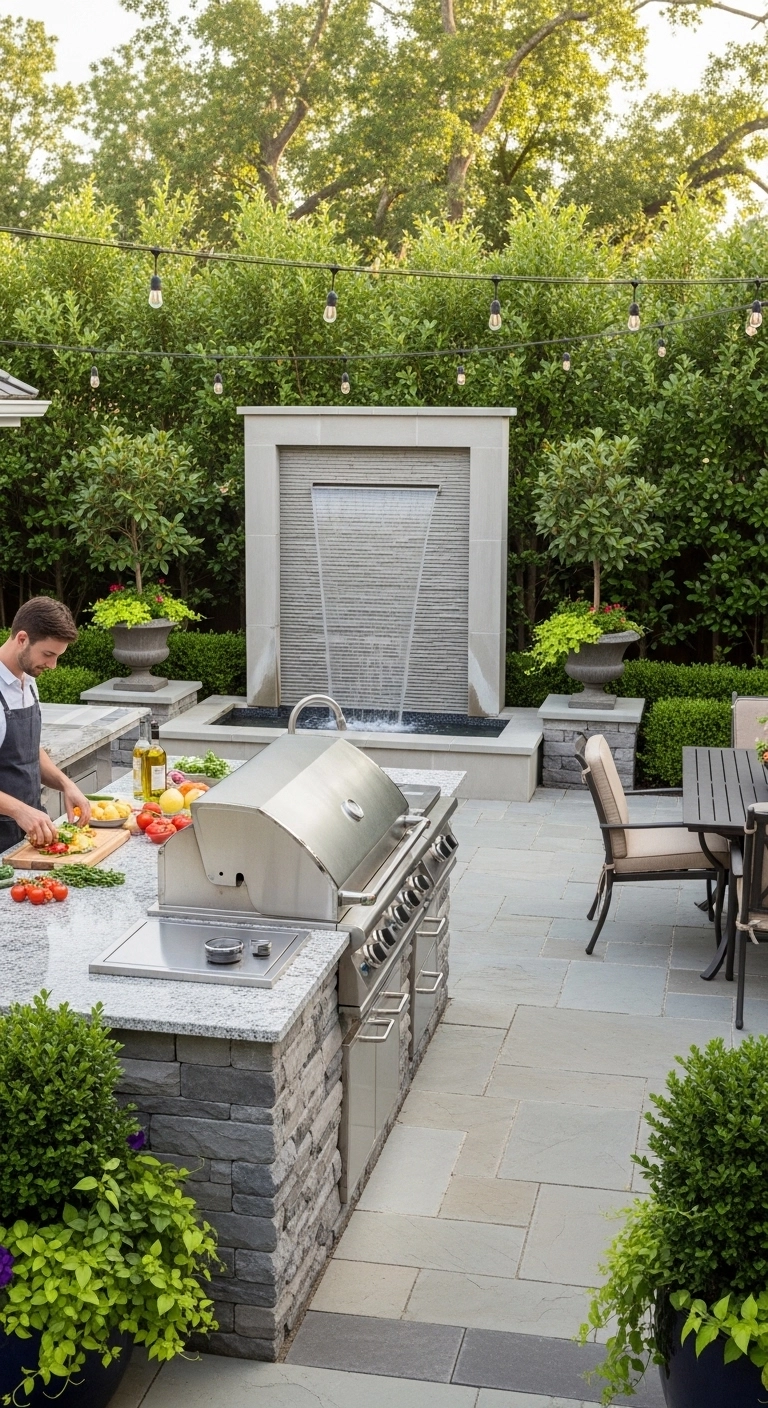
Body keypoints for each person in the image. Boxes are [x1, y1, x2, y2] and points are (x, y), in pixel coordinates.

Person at [0, 597, 92, 853]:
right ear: (22, 639)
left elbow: (27, 751)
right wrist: (19, 810)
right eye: (48, 654)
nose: (52, 665)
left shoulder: (28, 681)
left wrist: (66, 784)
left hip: (28, 833)